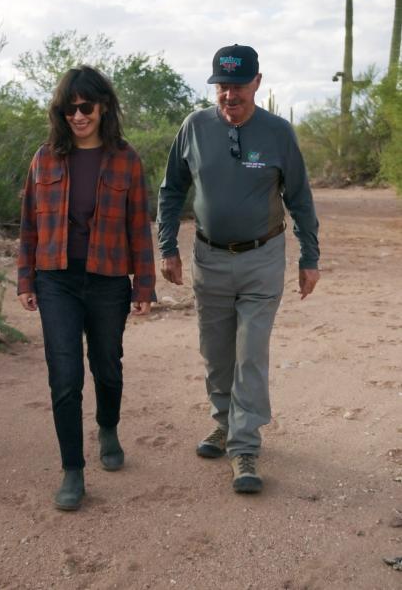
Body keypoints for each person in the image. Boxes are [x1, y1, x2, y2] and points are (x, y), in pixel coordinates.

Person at [157, 45, 320, 494]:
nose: (229, 95)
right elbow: (172, 190)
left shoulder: (278, 133)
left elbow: (300, 198)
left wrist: (310, 256)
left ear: (257, 83)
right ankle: (224, 422)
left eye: (238, 86)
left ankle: (244, 445)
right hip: (208, 258)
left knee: (250, 352)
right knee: (216, 352)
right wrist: (167, 247)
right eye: (221, 86)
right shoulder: (194, 126)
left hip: (262, 258)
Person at [18, 65, 156, 510]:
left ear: (103, 107)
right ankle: (72, 471)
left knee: (107, 367)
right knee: (64, 377)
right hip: (55, 278)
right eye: (70, 108)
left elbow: (139, 227)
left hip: (107, 277)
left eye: (87, 107)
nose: (78, 116)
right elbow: (28, 226)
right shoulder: (45, 158)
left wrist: (144, 287)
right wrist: (26, 278)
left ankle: (108, 426)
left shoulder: (126, 158)